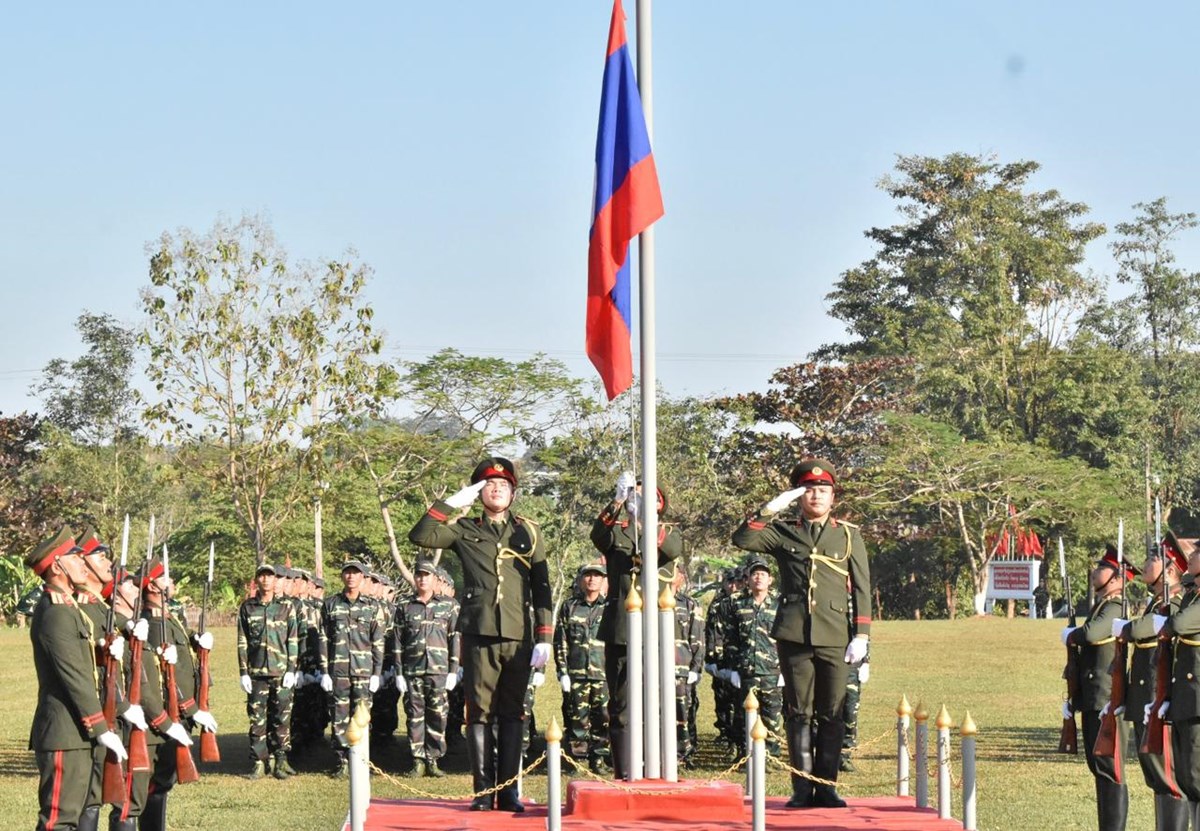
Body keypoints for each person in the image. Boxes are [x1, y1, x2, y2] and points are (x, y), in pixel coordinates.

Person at [409, 457, 553, 812]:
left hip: (518, 635)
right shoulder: (464, 528)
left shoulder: (529, 532)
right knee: (479, 713)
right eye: (489, 484)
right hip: (479, 632)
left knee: (513, 713)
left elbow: (542, 586)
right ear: (479, 491)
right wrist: (452, 503)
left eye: (504, 485)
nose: (497, 488)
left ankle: (508, 792)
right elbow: (421, 534)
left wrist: (545, 635)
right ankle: (482, 792)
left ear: (514, 493)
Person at [731, 457, 871, 809]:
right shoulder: (785, 531)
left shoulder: (849, 535)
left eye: (823, 491)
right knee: (798, 712)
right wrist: (772, 507)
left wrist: (862, 636)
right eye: (809, 491)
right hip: (794, 635)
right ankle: (802, 788)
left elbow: (862, 590)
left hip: (836, 635)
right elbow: (743, 538)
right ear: (799, 496)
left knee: (833, 712)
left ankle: (826, 786)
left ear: (833, 496)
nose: (816, 497)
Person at [26, 527, 129, 831]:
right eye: (75, 559)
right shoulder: (56, 613)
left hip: (77, 732)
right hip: (64, 732)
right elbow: (74, 677)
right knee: (59, 821)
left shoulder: (71, 609)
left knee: (75, 817)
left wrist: (105, 655)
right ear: (57, 566)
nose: (83, 564)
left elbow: (84, 664)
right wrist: (101, 727)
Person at [591, 471, 681, 779]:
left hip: (656, 630)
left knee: (657, 703)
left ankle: (657, 767)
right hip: (621, 629)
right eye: (635, 495)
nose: (638, 501)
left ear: (659, 503)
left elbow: (670, 551)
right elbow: (597, 535)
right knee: (622, 705)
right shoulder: (617, 532)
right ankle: (625, 772)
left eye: (645, 497)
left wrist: (646, 523)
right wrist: (617, 501)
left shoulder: (666, 532)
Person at [1113, 535, 1189, 831]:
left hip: (1159, 696)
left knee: (1167, 775)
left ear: (1170, 570)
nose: (1145, 564)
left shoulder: (1174, 602)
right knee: (1155, 773)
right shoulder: (1156, 601)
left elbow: (1145, 631)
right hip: (1144, 695)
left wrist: (1128, 628)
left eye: (1153, 559)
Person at [109, 570, 191, 831]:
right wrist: (164, 721)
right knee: (130, 800)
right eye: (131, 586)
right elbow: (138, 682)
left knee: (155, 791)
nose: (137, 591)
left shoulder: (140, 624)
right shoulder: (132, 626)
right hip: (141, 724)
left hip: (156, 722)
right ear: (116, 592)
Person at [142, 555, 218, 828]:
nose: (171, 581)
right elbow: (164, 677)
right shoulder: (151, 623)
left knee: (165, 779)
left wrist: (196, 642)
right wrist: (192, 709)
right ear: (151, 586)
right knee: (157, 781)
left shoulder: (168, 616)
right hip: (168, 710)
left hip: (181, 710)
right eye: (165, 577)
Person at [1063, 545, 1133, 831]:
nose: (1096, 571)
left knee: (1109, 769)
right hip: (1092, 696)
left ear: (1117, 579)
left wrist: (1073, 634)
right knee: (1098, 767)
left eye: (1103, 567)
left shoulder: (1116, 606)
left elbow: (1092, 634)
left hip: (1105, 697)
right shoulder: (1102, 605)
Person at [394, 559, 461, 778]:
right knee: (415, 715)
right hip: (413, 670)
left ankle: (433, 758)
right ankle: (417, 760)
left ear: (435, 579)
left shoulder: (449, 606)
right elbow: (397, 642)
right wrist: (398, 672)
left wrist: (453, 669)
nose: (423, 579)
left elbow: (454, 638)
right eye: (419, 575)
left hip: (438, 670)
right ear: (415, 578)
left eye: (427, 575)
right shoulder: (404, 606)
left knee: (438, 715)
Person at [318, 560, 384, 778]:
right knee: (339, 716)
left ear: (363, 578)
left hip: (363, 671)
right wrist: (324, 671)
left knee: (362, 716)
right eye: (347, 573)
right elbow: (324, 638)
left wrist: (377, 673)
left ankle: (362, 760)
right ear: (342, 576)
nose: (351, 577)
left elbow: (378, 642)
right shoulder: (330, 604)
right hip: (338, 671)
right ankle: (342, 760)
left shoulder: (372, 606)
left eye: (356, 573)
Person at [236, 563, 299, 780]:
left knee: (282, 718)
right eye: (261, 576)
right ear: (257, 580)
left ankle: (281, 760)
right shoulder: (247, 607)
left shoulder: (286, 607)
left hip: (281, 672)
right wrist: (243, 672)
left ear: (275, 581)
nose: (265, 580)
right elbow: (242, 641)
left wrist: (292, 669)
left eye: (269, 576)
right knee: (257, 719)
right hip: (257, 673)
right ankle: (259, 761)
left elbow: (292, 639)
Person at [722, 556, 782, 756]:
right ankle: (746, 754)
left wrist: (785, 670)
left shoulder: (779, 604)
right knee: (745, 716)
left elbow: (786, 639)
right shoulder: (738, 604)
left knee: (771, 716)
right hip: (746, 670)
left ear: (770, 580)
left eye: (763, 574)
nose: (759, 578)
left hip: (772, 671)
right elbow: (731, 639)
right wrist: (732, 670)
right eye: (755, 574)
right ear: (748, 579)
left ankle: (770, 756)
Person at [554, 563, 610, 773]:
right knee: (577, 717)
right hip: (577, 673)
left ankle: (599, 759)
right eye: (588, 575)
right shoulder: (570, 606)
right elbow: (561, 641)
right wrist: (562, 672)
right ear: (581, 579)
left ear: (603, 580)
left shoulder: (609, 607)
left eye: (597, 576)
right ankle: (577, 759)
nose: (592, 579)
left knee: (603, 717)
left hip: (602, 673)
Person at [669, 564, 703, 767]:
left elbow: (697, 637)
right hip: (655, 667)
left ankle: (684, 753)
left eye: (674, 572)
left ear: (681, 577)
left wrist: (695, 668)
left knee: (683, 711)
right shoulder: (651, 601)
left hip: (681, 667)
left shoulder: (690, 604)